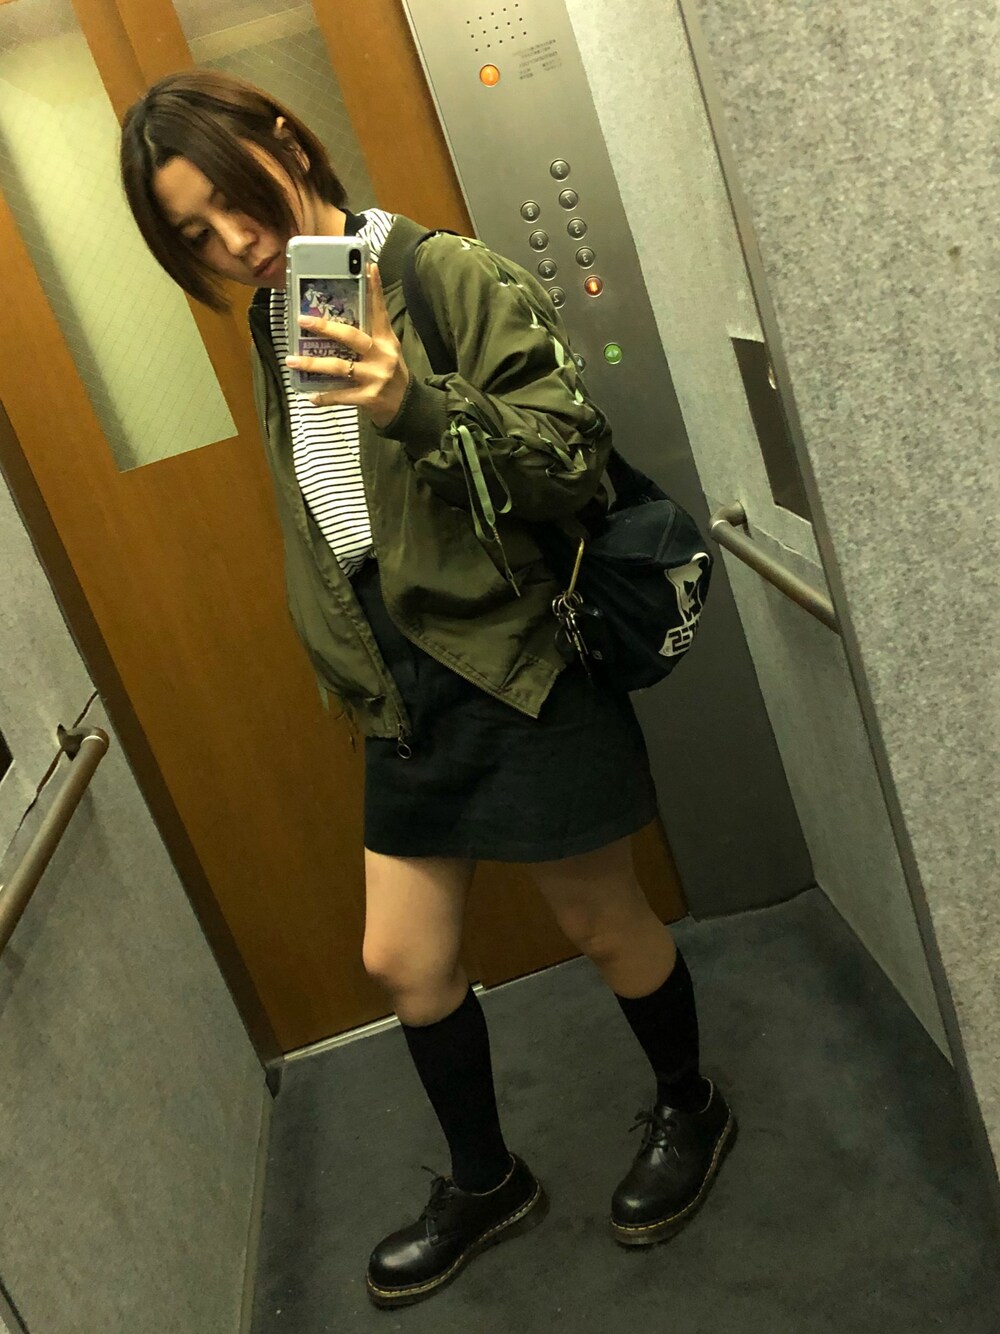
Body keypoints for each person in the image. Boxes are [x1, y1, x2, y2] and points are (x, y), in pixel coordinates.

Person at [120, 70, 735, 1310]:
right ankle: (486, 1177)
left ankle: (692, 1103)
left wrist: (416, 403)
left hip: (515, 654)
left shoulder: (443, 273)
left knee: (600, 919)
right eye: (195, 232)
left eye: (238, 198)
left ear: (287, 140)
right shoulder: (279, 312)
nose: (234, 241)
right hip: (400, 682)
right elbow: (340, 512)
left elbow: (569, 456)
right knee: (400, 958)